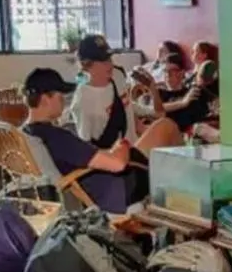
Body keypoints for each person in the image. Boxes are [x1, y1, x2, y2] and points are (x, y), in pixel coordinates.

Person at [22, 68, 146, 213]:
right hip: (113, 192)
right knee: (162, 129)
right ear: (44, 99)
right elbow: (118, 164)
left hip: (94, 186)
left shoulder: (25, 132)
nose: (63, 101)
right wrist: (123, 144)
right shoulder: (57, 137)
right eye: (60, 96)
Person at [65, 34, 134, 146]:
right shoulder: (82, 101)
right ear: (86, 64)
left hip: (135, 146)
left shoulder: (117, 76)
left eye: (109, 58)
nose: (110, 64)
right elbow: (86, 147)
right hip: (113, 154)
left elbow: (129, 112)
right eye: (103, 61)